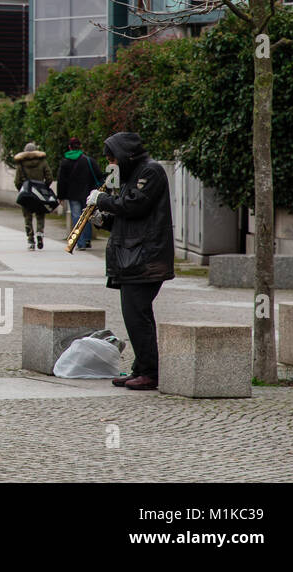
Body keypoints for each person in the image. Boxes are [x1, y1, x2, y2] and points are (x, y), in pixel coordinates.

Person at [91, 132, 173, 391]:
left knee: (138, 315)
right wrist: (102, 219)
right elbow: (128, 216)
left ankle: (150, 372)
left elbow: (134, 206)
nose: (111, 163)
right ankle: (141, 368)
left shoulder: (151, 172)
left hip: (146, 259)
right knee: (134, 315)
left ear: (125, 155)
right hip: (133, 259)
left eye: (113, 158)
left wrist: (102, 199)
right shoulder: (131, 177)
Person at [58, 136, 103, 250]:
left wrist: (61, 196)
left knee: (76, 216)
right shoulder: (88, 160)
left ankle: (80, 243)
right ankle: (87, 240)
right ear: (80, 146)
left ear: (69, 147)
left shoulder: (65, 162)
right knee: (87, 216)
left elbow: (61, 181)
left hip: (72, 194)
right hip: (87, 193)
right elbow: (98, 175)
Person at [14, 142, 53, 250]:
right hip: (39, 192)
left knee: (28, 217)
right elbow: (49, 177)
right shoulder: (42, 162)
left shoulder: (21, 163)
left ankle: (31, 241)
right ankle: (40, 232)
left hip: (26, 194)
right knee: (40, 214)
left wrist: (22, 190)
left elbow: (17, 181)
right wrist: (44, 187)